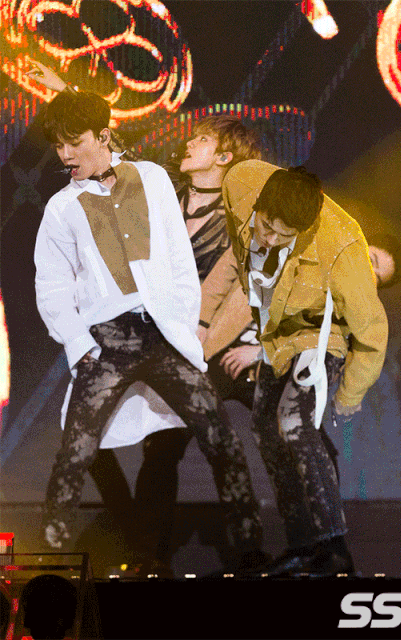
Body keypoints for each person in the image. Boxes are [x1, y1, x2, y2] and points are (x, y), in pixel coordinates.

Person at [34, 89, 263, 565]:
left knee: (220, 438)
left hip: (163, 337)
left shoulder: (153, 178)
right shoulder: (61, 208)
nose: (65, 155)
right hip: (106, 342)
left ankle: (249, 554)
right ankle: (49, 565)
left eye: (75, 143)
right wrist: (80, 346)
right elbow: (51, 285)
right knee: (76, 450)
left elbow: (180, 263)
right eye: (58, 145)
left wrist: (183, 333)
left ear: (103, 136)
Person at [199, 160, 389, 577]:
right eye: (266, 225)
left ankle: (334, 549)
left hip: (323, 334)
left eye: (281, 235)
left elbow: (372, 331)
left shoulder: (342, 245)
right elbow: (240, 252)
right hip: (277, 334)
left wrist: (349, 395)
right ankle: (303, 544)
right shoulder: (242, 183)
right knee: (264, 427)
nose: (268, 238)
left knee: (293, 421)